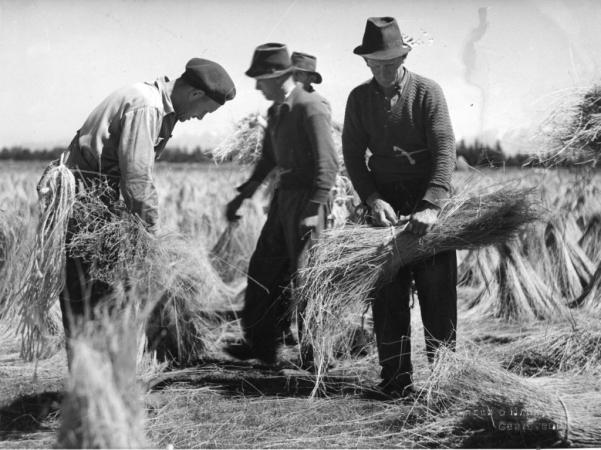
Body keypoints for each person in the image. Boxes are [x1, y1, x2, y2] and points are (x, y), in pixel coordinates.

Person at [58, 58, 236, 341]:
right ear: (195, 94)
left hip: (98, 201)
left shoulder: (155, 105)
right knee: (95, 292)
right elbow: (137, 179)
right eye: (205, 111)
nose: (201, 118)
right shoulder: (146, 107)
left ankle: (99, 374)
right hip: (87, 201)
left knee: (99, 293)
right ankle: (94, 377)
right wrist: (151, 237)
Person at [342, 17, 457, 398]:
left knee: (437, 298)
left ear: (404, 57)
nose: (386, 71)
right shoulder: (359, 99)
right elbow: (353, 157)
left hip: (426, 204)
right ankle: (395, 383)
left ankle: (445, 383)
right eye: (378, 64)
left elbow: (444, 150)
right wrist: (372, 199)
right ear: (367, 63)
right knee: (387, 298)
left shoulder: (427, 92)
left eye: (392, 63)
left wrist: (431, 205)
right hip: (383, 205)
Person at [225, 43, 338, 366]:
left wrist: (313, 208)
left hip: (308, 199)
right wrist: (242, 195)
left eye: (261, 79)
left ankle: (317, 354)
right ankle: (262, 345)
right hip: (283, 198)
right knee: (263, 267)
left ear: (278, 76)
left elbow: (328, 165)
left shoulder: (311, 106)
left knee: (307, 275)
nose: (258, 86)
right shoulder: (276, 112)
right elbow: (267, 161)